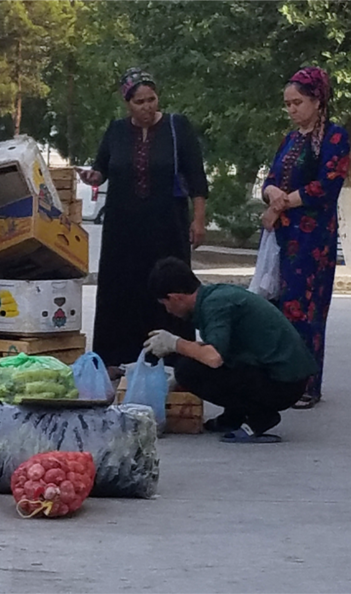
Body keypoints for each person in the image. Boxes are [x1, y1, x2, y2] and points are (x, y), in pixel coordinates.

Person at [79, 67, 209, 376]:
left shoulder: (178, 127)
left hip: (167, 225)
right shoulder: (116, 130)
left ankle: (175, 358)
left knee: (169, 287)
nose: (148, 106)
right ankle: (113, 359)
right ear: (127, 103)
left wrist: (199, 220)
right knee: (120, 288)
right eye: (140, 101)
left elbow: (197, 178)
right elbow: (102, 169)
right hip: (123, 228)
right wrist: (93, 177)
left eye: (152, 99)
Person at [143, 257, 318, 443]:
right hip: (281, 375)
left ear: (176, 297)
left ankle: (260, 417)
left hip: (284, 384)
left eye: (166, 304)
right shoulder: (215, 296)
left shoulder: (215, 306)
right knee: (198, 364)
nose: (168, 311)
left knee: (188, 370)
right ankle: (234, 417)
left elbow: (213, 358)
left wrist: (175, 343)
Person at [260, 66, 351, 410]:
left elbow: (326, 186)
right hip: (283, 232)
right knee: (279, 306)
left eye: (297, 102)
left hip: (313, 238)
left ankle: (307, 383)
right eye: (287, 104)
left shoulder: (334, 138)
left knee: (305, 308)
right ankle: (282, 378)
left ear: (317, 100)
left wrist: (283, 201)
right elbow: (270, 178)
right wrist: (273, 196)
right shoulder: (291, 139)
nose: (292, 109)